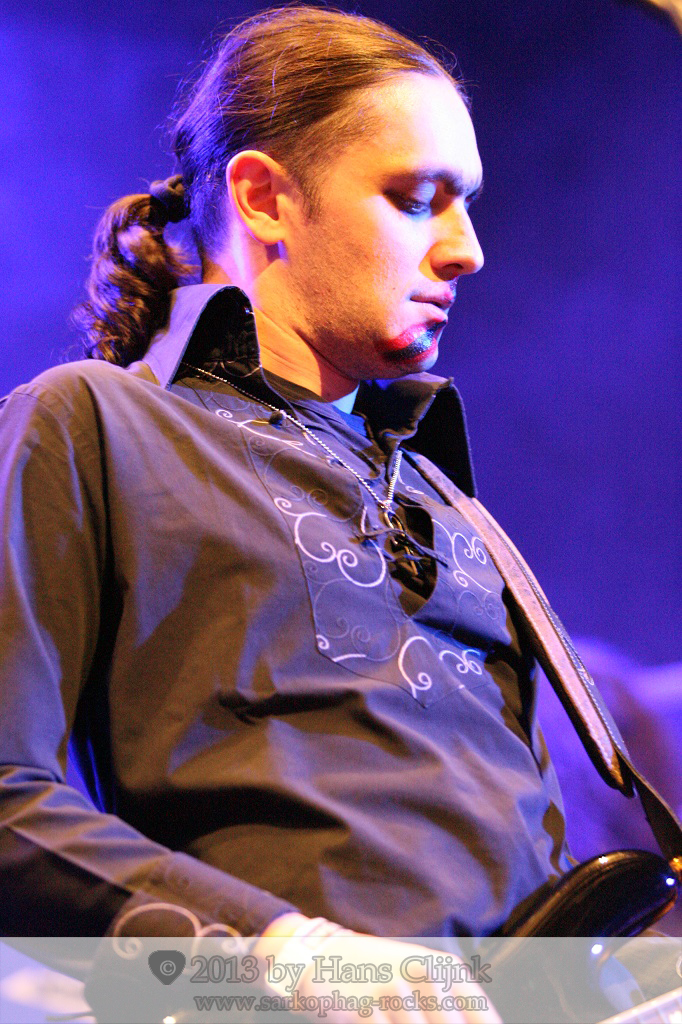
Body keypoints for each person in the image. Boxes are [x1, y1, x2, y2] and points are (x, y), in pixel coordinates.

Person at [3, 5, 669, 1021]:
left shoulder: (447, 501)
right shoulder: (94, 421)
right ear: (264, 198)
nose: (467, 250)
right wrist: (277, 950)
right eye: (416, 200)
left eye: (468, 205)